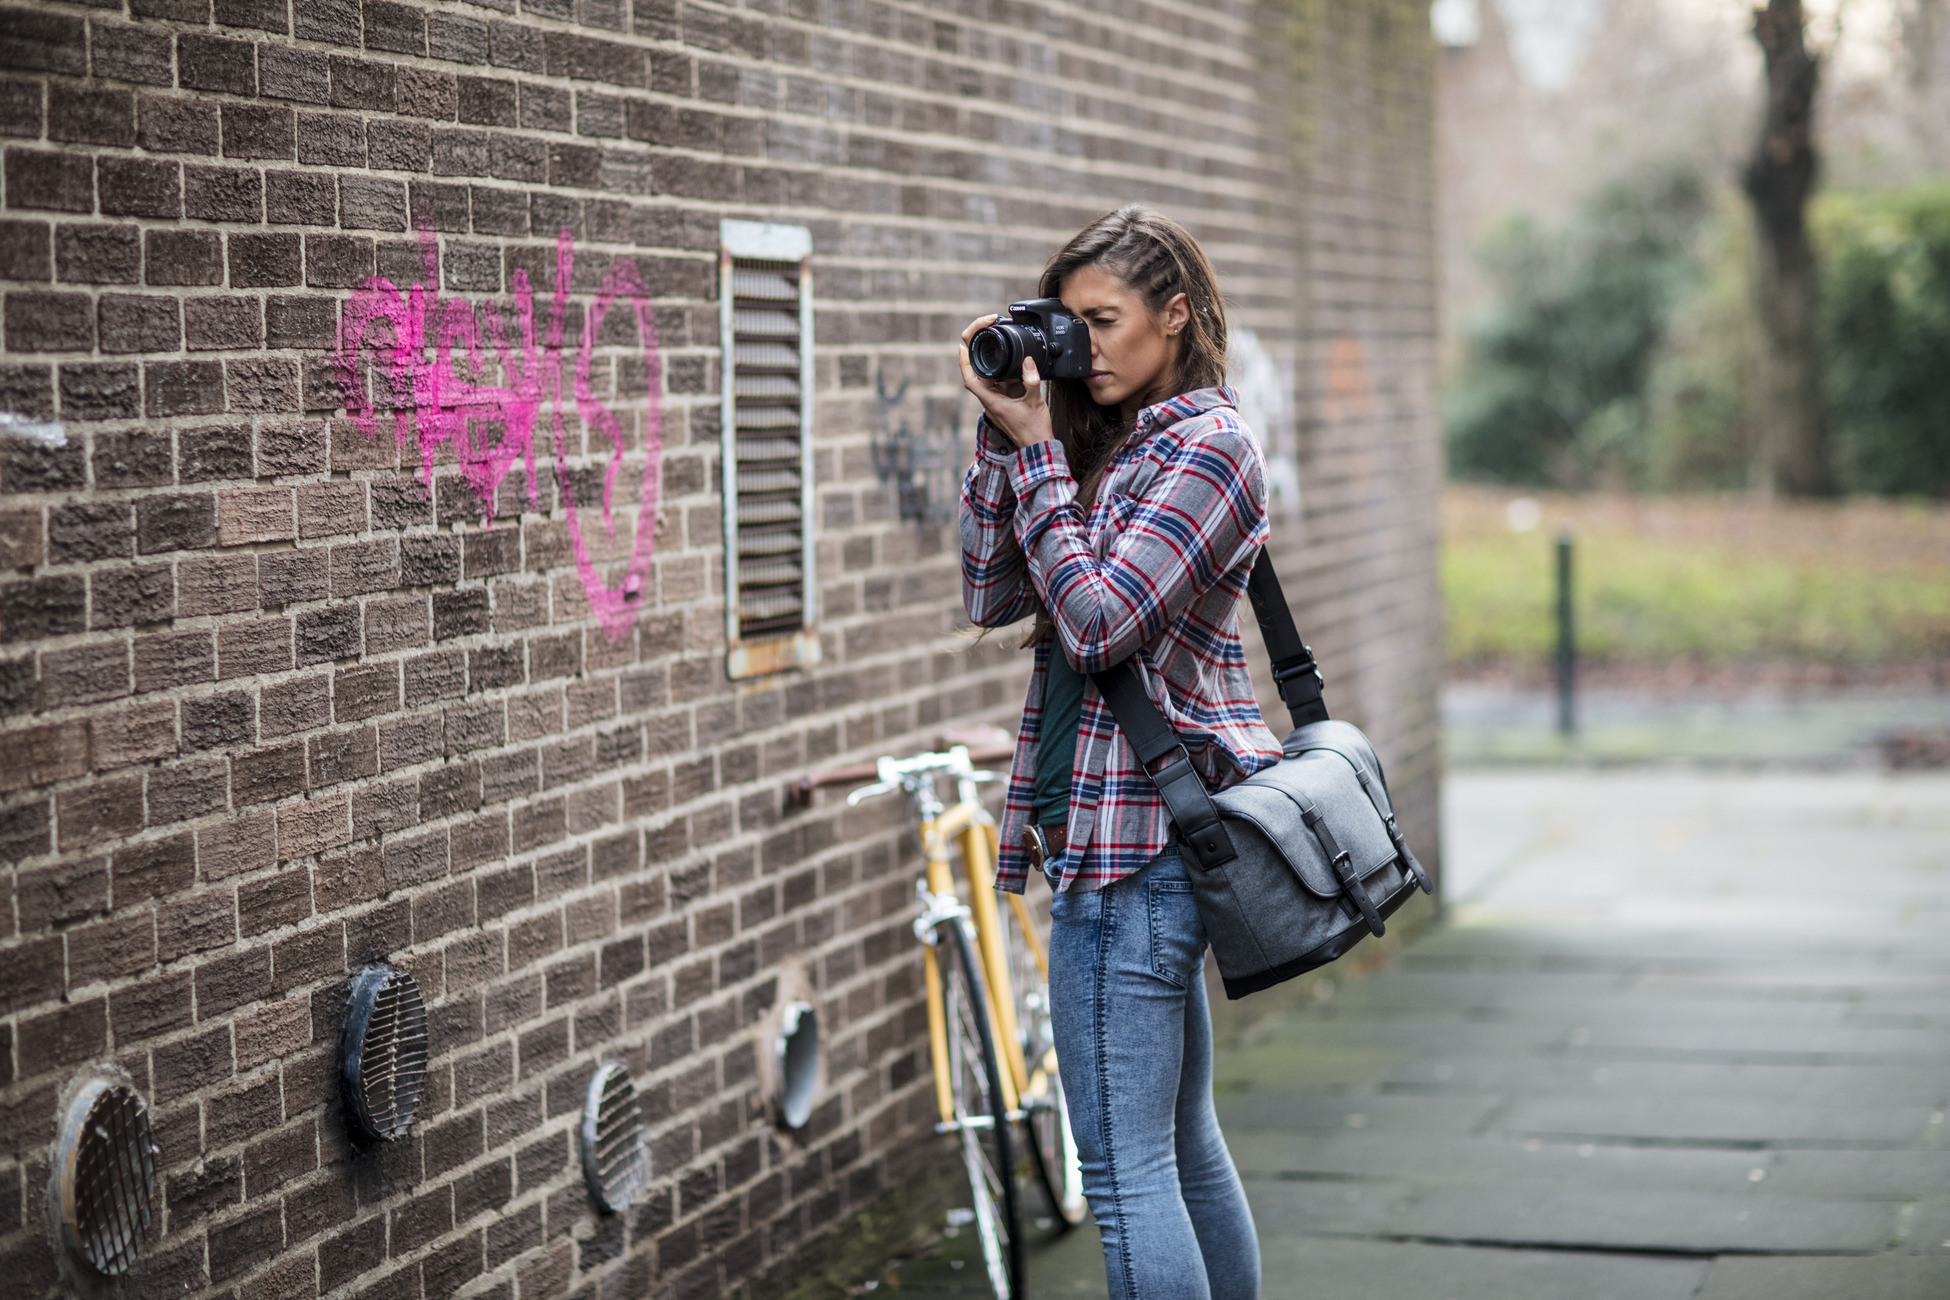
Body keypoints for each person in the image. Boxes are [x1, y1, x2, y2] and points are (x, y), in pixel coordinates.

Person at [958, 205, 1278, 1300]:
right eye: (1068, 325)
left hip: (1134, 848)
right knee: (1177, 1146)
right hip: (1101, 836)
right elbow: (992, 590)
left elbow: (1098, 624)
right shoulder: (1113, 446)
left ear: (1176, 315)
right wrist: (1007, 440)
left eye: (1105, 322)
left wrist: (1043, 458)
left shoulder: (1208, 450)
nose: (1082, 349)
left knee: (1122, 1166)